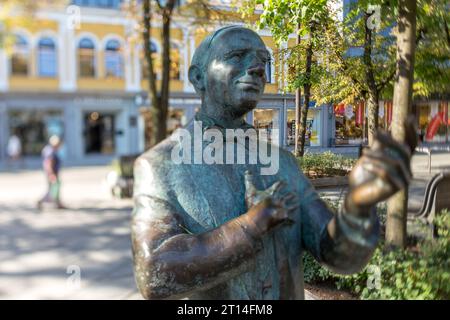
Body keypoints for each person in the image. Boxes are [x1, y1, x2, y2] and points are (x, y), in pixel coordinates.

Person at [131, 26, 417, 299]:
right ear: (198, 77)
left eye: (262, 61)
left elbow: (336, 255)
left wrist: (357, 205)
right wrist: (252, 226)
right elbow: (154, 274)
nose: (257, 68)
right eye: (237, 56)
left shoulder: (283, 163)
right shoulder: (160, 166)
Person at [37, 135, 65, 210]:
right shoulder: (51, 151)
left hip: (53, 173)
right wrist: (51, 174)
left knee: (54, 189)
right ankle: (42, 201)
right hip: (52, 173)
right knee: (53, 190)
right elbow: (48, 163)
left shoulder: (49, 150)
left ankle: (58, 203)